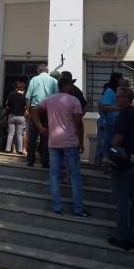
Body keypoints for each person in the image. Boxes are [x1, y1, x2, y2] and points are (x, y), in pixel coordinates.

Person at [29, 72, 90, 218]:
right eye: (71, 84)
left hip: (54, 142)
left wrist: (40, 127)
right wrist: (81, 142)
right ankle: (78, 209)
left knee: (54, 175)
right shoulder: (74, 101)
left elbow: (33, 111)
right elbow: (78, 124)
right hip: (70, 142)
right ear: (67, 85)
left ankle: (57, 207)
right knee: (74, 176)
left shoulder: (49, 100)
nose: (72, 87)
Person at [107, 87, 134, 253]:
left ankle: (122, 237)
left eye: (118, 97)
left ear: (125, 98)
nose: (116, 99)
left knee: (122, 200)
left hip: (123, 163)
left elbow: (118, 138)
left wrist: (109, 153)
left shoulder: (124, 114)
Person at [25, 65, 58, 167]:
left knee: (32, 135)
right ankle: (45, 161)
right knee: (46, 135)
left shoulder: (34, 80)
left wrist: (28, 110)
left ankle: (31, 160)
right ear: (47, 71)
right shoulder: (54, 81)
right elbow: (57, 96)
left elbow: (28, 97)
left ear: (38, 71)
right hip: (49, 109)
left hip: (35, 109)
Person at [96, 73, 122, 166]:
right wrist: (120, 108)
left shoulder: (114, 92)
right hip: (108, 123)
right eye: (121, 79)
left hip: (113, 123)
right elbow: (104, 107)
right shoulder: (109, 92)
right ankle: (103, 163)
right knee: (106, 143)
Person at [5, 81, 27, 154]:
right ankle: (20, 150)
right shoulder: (24, 97)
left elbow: (7, 105)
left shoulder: (11, 94)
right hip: (21, 117)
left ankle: (8, 149)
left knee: (11, 133)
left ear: (16, 88)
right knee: (19, 134)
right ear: (23, 89)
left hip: (12, 115)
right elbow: (25, 107)